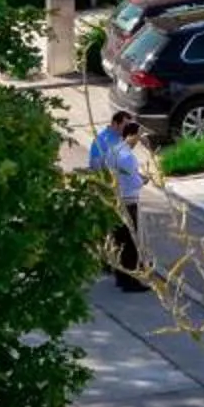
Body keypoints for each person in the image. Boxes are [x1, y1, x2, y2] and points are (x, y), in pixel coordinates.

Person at [88, 112, 147, 291]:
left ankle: (121, 276)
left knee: (120, 239)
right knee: (130, 242)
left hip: (116, 196)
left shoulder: (114, 150)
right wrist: (142, 180)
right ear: (132, 135)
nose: (139, 141)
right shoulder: (125, 155)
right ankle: (130, 280)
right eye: (138, 137)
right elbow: (134, 180)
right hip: (126, 200)